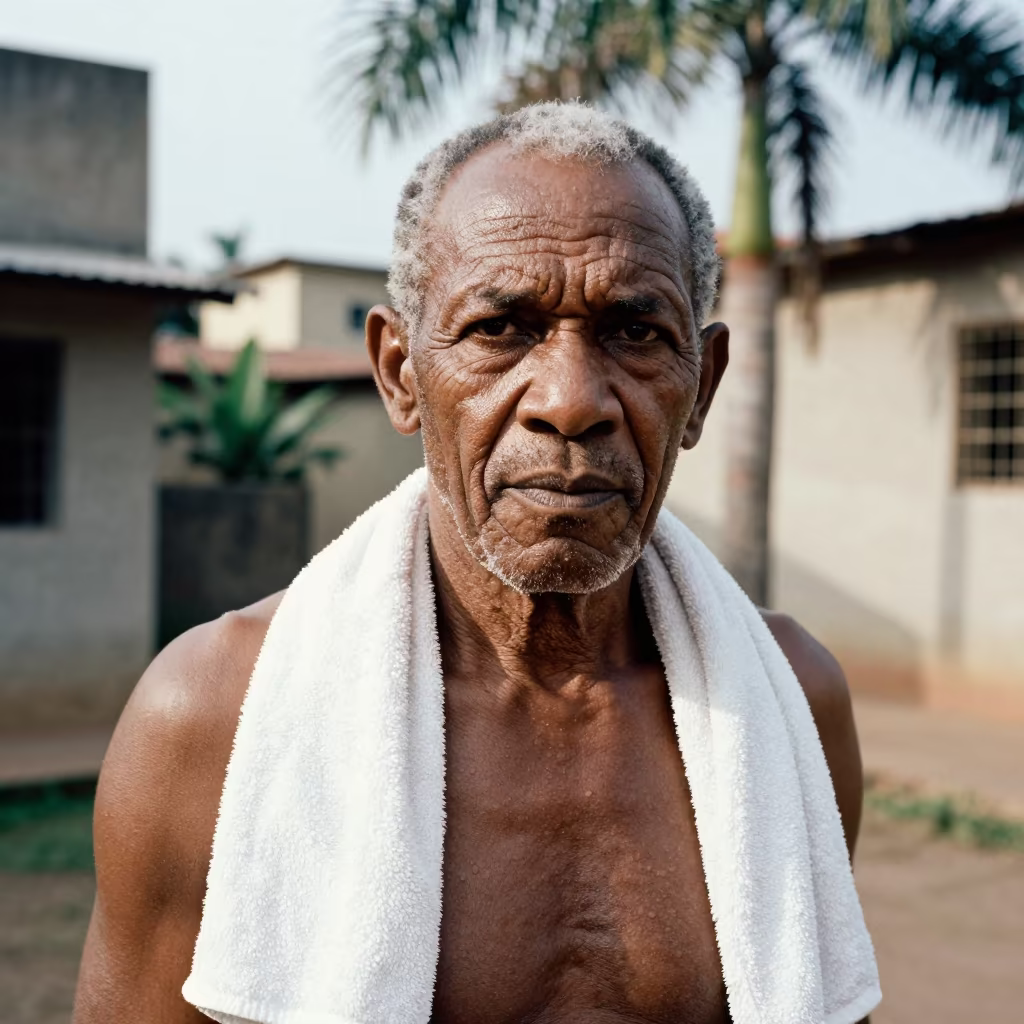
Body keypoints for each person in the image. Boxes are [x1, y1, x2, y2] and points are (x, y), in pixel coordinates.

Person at [73, 103, 877, 1024]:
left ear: (703, 384)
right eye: (501, 327)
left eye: (635, 331)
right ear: (400, 373)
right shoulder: (209, 718)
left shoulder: (792, 703)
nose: (572, 401)